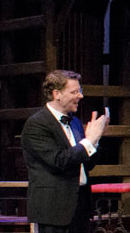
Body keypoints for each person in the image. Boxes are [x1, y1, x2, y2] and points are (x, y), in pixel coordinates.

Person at [21, 70, 109, 233]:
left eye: (80, 91)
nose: (80, 96)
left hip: (79, 206)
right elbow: (58, 161)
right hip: (53, 209)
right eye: (75, 92)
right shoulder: (37, 124)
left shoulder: (74, 122)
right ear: (57, 94)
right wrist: (89, 141)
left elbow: (86, 164)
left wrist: (95, 141)